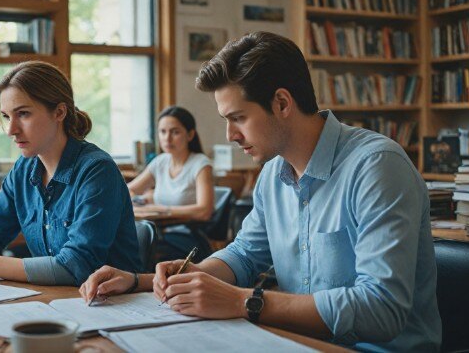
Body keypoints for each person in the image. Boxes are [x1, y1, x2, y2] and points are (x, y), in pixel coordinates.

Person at [79, 32, 441, 351]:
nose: (230, 136)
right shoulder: (272, 174)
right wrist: (162, 279)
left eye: (238, 118)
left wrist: (245, 302)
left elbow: (382, 310)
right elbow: (244, 256)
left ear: (282, 103)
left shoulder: (377, 166)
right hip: (297, 342)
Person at [0, 61, 142, 286]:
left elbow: (77, 265)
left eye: (24, 114)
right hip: (56, 299)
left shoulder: (97, 171)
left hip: (114, 305)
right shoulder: (24, 168)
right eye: (7, 117)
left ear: (59, 112)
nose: (11, 130)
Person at [128, 106, 214, 221]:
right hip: (159, 229)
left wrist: (159, 210)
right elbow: (128, 190)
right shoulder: (160, 161)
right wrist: (137, 201)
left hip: (186, 232)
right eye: (163, 132)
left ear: (190, 135)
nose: (167, 138)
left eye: (175, 132)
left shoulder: (201, 164)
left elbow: (204, 211)